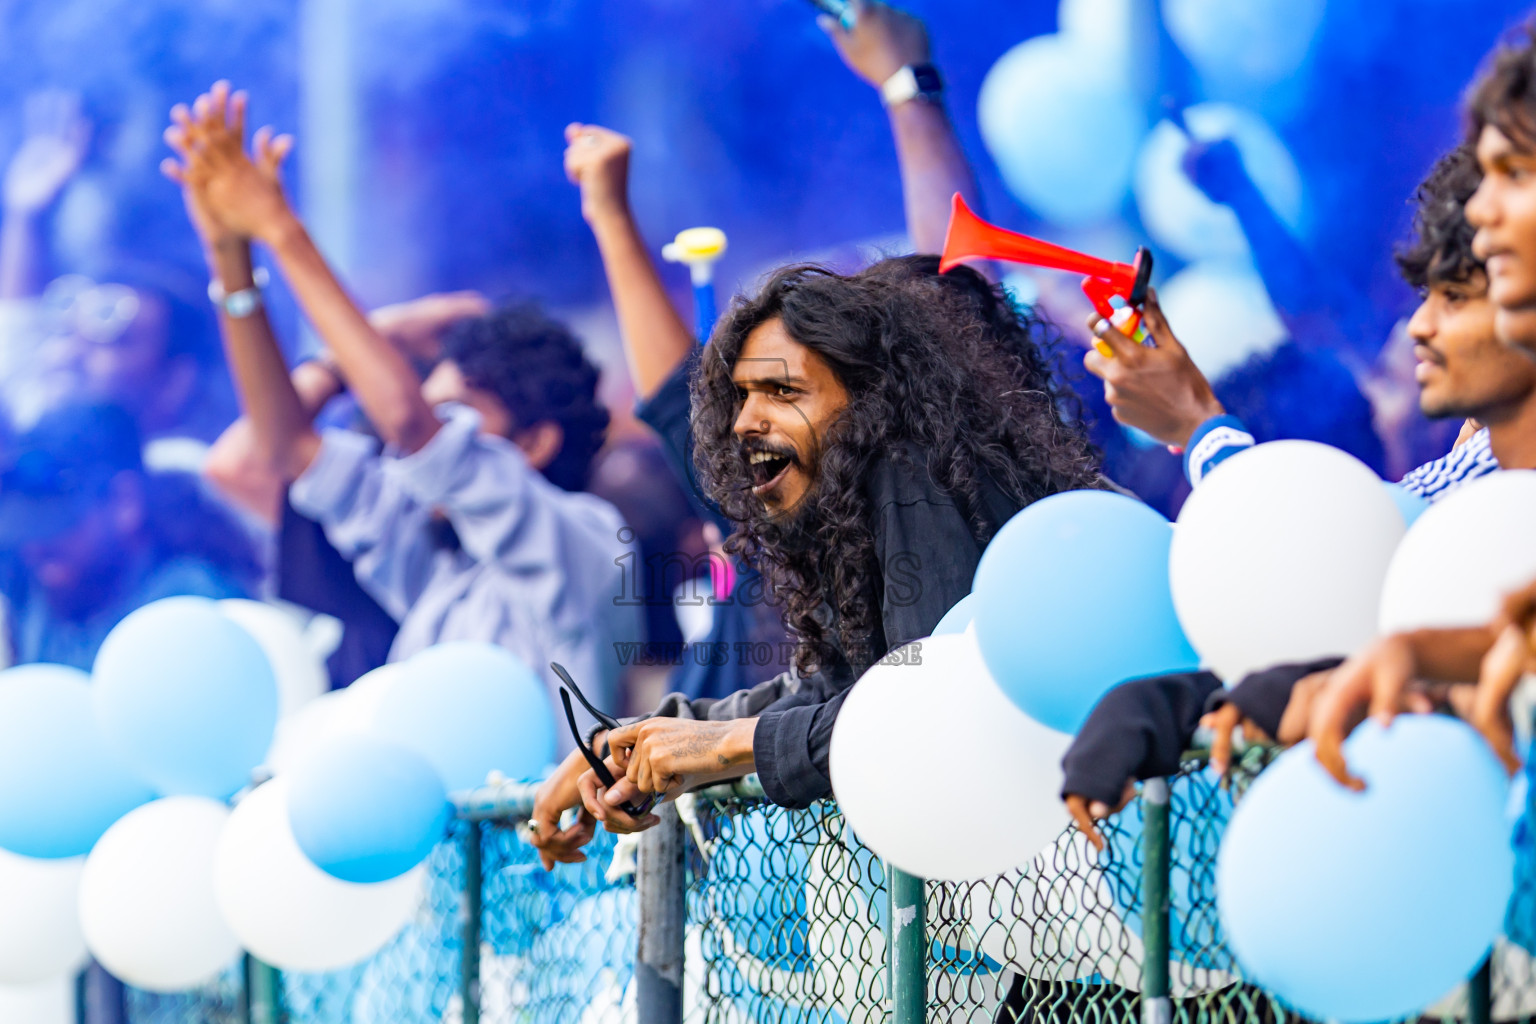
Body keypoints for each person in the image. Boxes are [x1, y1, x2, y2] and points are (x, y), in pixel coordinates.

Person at [527, 252, 1109, 866]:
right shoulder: (858, 504)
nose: (747, 421)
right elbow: (840, 692)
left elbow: (932, 703)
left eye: (783, 391)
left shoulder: (913, 476)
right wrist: (644, 737)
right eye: (742, 396)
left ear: (873, 402)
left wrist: (724, 744)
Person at [1063, 144, 1536, 841]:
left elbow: (1329, 580)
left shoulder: (1498, 507)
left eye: (1458, 294)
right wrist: (1195, 702)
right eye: (1426, 294)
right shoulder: (1470, 451)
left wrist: (1200, 426)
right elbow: (1351, 597)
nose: (1417, 330)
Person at [161, 81, 638, 719]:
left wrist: (281, 228)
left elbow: (409, 422)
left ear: (533, 443)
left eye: (457, 416)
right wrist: (232, 256)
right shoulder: (437, 566)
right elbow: (284, 445)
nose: (412, 450)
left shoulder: (589, 542)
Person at [0, 401, 258, 670]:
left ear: (125, 502)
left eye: (55, 529)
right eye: (25, 531)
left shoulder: (193, 602)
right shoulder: (37, 588)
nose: (34, 549)